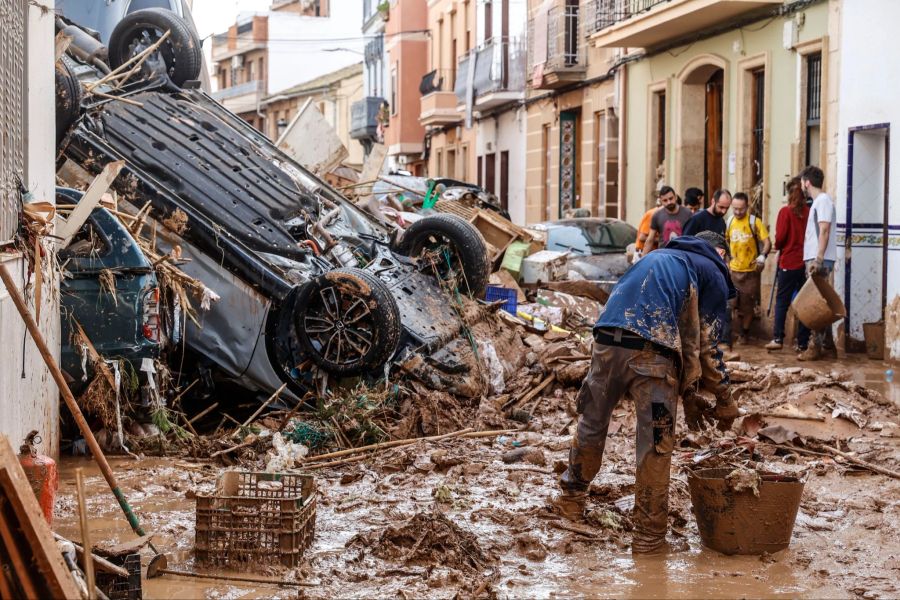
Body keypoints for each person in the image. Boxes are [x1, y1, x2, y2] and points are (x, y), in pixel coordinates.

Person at [552, 232, 737, 554]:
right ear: (720, 252)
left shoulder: (656, 258)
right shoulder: (713, 271)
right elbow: (707, 343)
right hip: (652, 357)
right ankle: (649, 540)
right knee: (655, 444)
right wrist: (725, 398)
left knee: (592, 423)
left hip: (606, 343)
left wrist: (690, 393)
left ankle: (571, 501)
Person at [766, 177, 811, 352]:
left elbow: (780, 237)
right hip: (805, 263)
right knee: (804, 302)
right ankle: (803, 342)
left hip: (788, 262)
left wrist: (778, 248)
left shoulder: (785, 212)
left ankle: (778, 338)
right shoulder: (808, 212)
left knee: (782, 301)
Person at [798, 165, 837, 361]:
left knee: (815, 304)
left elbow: (824, 230)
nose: (801, 187)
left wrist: (818, 259)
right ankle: (829, 346)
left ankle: (815, 346)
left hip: (818, 260)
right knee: (822, 302)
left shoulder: (822, 201)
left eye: (802, 183)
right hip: (816, 258)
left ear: (807, 182)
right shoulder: (819, 202)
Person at [725, 192, 771, 344]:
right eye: (735, 209)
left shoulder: (754, 222)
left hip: (750, 273)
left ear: (747, 207)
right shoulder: (729, 222)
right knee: (729, 304)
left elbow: (767, 242)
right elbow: (723, 243)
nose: (738, 212)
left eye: (741, 209)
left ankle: (744, 334)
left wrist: (763, 255)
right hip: (733, 271)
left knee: (747, 306)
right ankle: (728, 334)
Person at [643, 186, 692, 252]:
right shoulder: (657, 215)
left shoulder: (687, 213)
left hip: (683, 253)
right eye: (665, 200)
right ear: (661, 201)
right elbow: (650, 240)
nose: (669, 202)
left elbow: (693, 237)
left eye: (671, 198)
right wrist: (643, 259)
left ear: (676, 197)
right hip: (664, 255)